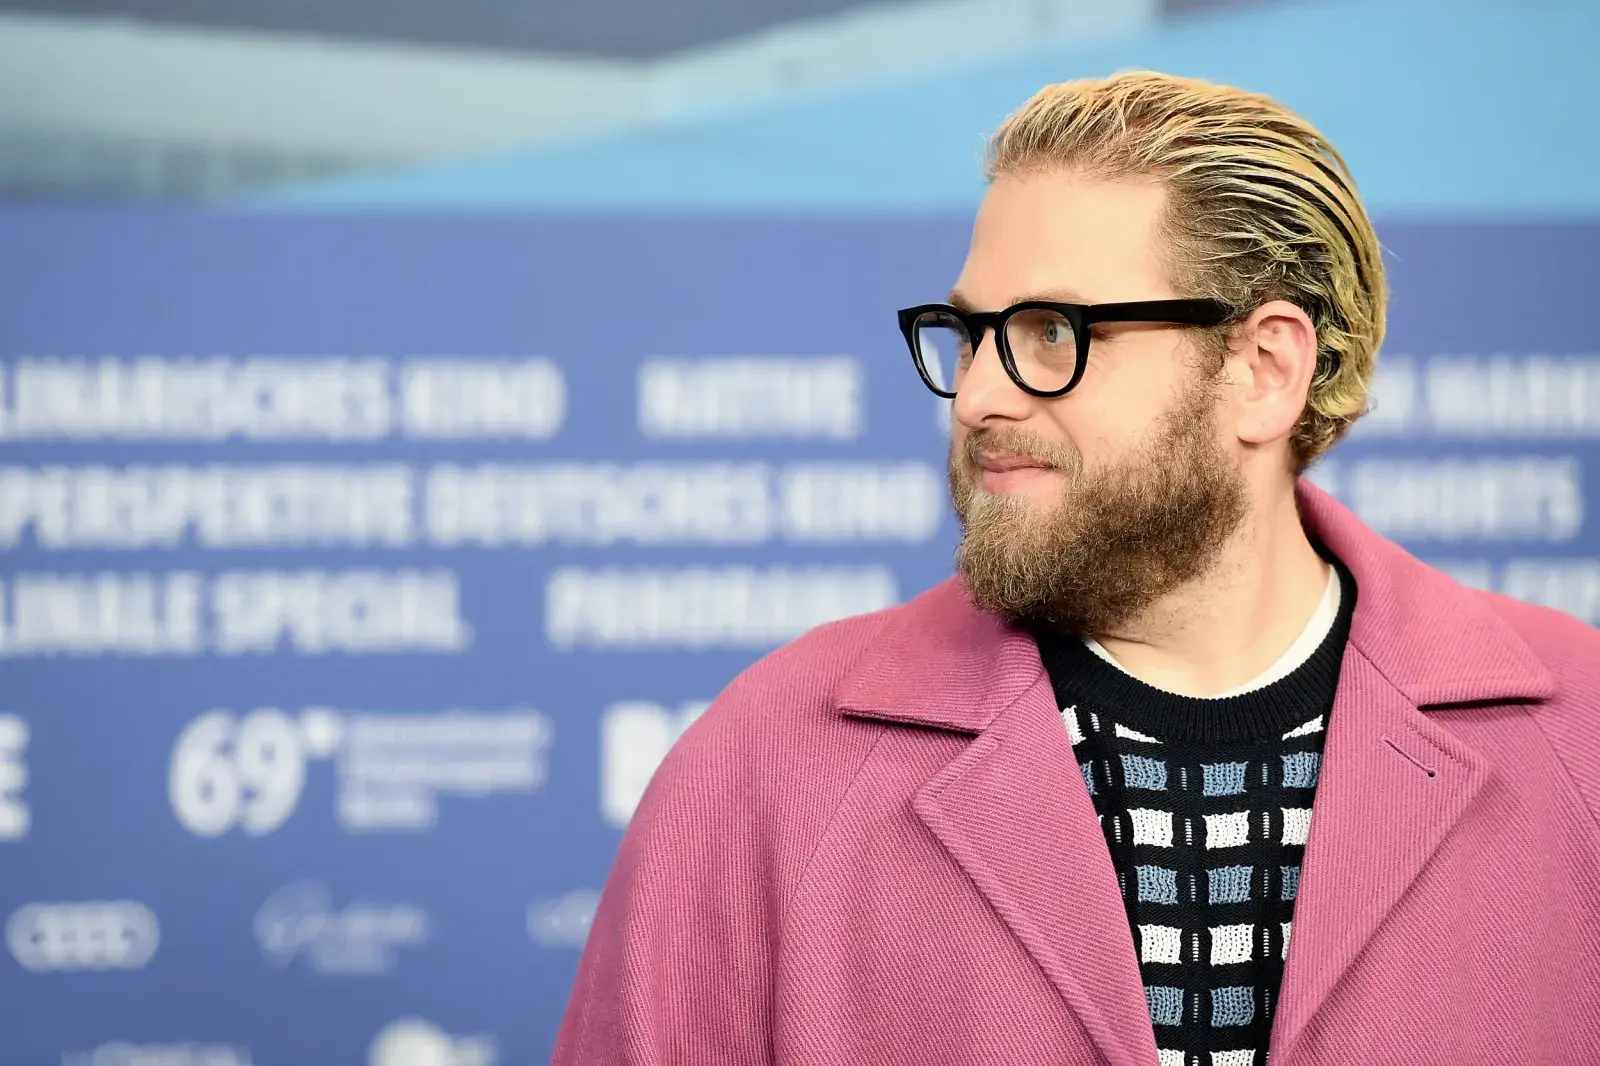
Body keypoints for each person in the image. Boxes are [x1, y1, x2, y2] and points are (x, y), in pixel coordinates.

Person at [553, 72, 1600, 1066]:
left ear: (1263, 370)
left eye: (1050, 332)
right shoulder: (767, 761)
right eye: (969, 334)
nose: (975, 400)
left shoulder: (1580, 736)